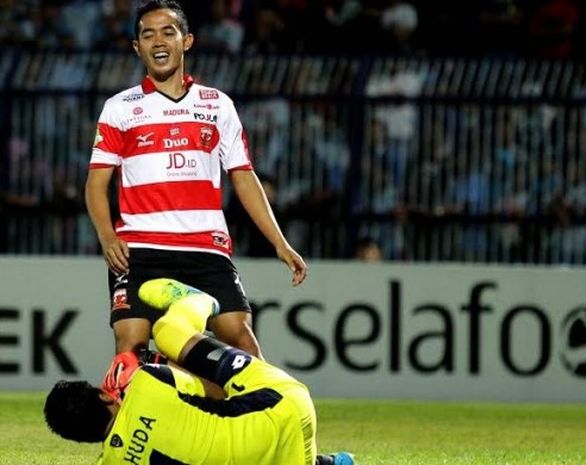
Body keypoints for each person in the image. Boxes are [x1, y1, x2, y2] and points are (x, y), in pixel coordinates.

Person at [85, 0, 307, 362]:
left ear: (186, 41)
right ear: (137, 47)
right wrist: (107, 236)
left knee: (244, 345)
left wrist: (279, 244)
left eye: (167, 32)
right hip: (141, 248)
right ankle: (127, 419)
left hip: (205, 247)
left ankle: (262, 416)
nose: (158, 41)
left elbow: (244, 177)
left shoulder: (217, 105)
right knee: (130, 347)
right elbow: (96, 184)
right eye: (148, 34)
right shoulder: (120, 107)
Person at [44, 278, 355, 465]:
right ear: (103, 394)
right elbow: (217, 390)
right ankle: (195, 303)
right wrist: (154, 362)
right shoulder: (145, 383)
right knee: (167, 331)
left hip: (271, 456)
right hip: (287, 404)